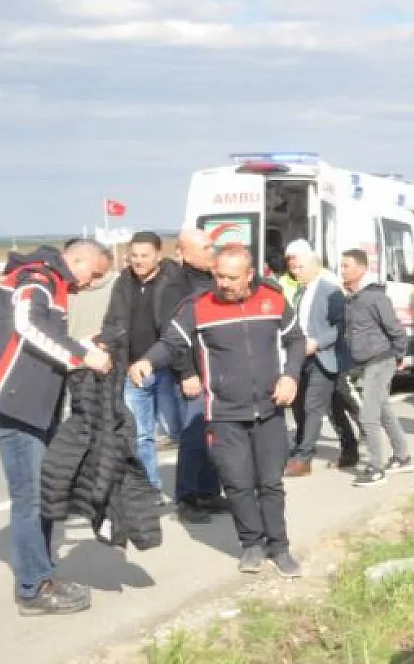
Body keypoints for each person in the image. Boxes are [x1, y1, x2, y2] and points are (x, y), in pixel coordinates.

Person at [131, 244, 307, 577]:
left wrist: (291, 376)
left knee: (270, 483)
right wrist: (146, 361)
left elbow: (296, 339)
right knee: (238, 484)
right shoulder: (198, 307)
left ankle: (280, 547)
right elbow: (171, 344)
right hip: (224, 413)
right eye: (218, 276)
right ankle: (251, 545)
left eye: (232, 277)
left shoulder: (271, 299)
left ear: (250, 275)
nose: (223, 284)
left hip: (270, 409)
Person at [0, 240, 114, 615]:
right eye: (95, 274)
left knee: (44, 492)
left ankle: (42, 574)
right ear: (78, 260)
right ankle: (33, 587)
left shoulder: (49, 281)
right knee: (32, 497)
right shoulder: (38, 278)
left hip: (27, 404)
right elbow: (27, 325)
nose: (92, 283)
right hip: (14, 405)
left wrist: (79, 344)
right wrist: (81, 355)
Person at [99, 231, 187, 504]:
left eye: (144, 255)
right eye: (134, 255)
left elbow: (181, 329)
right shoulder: (123, 282)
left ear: (159, 255)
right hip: (133, 370)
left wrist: (187, 371)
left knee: (179, 430)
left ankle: (194, 489)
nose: (138, 261)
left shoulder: (175, 280)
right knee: (140, 435)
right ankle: (151, 488)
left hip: (167, 368)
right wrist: (107, 344)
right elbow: (113, 321)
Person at [284, 241, 360, 477]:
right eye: (293, 268)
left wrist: (317, 342)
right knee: (324, 406)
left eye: (300, 267)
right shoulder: (299, 291)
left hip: (324, 355)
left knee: (313, 406)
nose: (296, 272)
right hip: (301, 356)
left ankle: (304, 458)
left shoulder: (331, 291)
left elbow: (341, 326)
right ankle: (349, 448)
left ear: (314, 265)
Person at [338, 249, 413, 487]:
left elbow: (395, 329)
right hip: (366, 362)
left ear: (361, 269)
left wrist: (399, 355)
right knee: (382, 409)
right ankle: (402, 456)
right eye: (341, 266)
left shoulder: (374, 297)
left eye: (347, 265)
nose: (342, 270)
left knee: (368, 414)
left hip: (380, 360)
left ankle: (376, 468)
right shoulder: (352, 298)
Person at [166, 229, 225, 524]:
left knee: (214, 434)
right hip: (193, 373)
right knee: (193, 436)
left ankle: (210, 491)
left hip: (217, 371)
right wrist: (186, 372)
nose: (212, 251)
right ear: (185, 253)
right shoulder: (175, 285)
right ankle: (188, 498)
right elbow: (173, 336)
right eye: (205, 247)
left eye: (212, 246)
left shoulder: (213, 279)